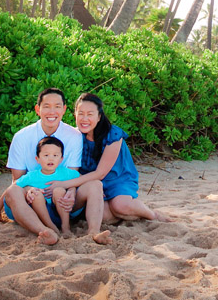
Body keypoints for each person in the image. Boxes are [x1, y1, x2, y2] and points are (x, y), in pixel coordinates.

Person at [0, 88, 112, 245]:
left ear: (64, 109)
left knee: (95, 184)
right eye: (46, 106)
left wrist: (72, 193)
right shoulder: (22, 137)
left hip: (62, 204)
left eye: (57, 106)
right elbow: (17, 180)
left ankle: (94, 232)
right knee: (13, 190)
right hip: (30, 205)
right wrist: (29, 191)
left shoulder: (73, 136)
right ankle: (45, 231)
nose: (52, 111)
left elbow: (72, 175)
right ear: (37, 109)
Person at [46, 93, 172, 223]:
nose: (84, 119)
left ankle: (152, 214)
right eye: (81, 114)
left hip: (116, 178)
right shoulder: (74, 136)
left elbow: (101, 173)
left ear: (99, 116)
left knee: (120, 206)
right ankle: (124, 212)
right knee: (105, 216)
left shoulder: (112, 134)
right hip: (90, 182)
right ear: (75, 115)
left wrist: (64, 184)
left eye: (90, 114)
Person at [0, 136, 82, 239]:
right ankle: (51, 227)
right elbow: (11, 188)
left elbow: (81, 180)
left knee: (59, 190)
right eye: (46, 155)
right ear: (37, 159)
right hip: (39, 212)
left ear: (61, 159)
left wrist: (72, 188)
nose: (51, 158)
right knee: (36, 195)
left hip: (58, 210)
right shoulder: (31, 176)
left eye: (55, 155)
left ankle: (66, 227)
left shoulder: (66, 173)